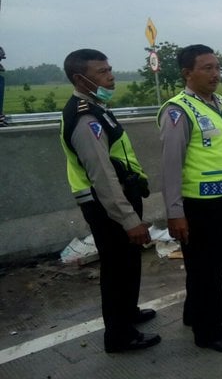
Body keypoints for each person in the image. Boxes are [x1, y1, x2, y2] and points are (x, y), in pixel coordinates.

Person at [157, 44, 222, 353]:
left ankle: (197, 312)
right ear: (188, 73)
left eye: (217, 67)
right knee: (203, 267)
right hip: (199, 205)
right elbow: (171, 167)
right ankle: (209, 331)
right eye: (207, 68)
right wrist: (175, 213)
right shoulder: (178, 111)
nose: (216, 74)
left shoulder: (221, 103)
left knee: (211, 265)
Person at [59, 49, 160, 353]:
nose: (111, 75)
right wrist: (129, 219)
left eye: (110, 69)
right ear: (80, 78)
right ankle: (119, 336)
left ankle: (128, 314)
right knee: (117, 270)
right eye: (102, 71)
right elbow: (102, 175)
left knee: (128, 264)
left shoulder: (97, 106)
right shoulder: (85, 115)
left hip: (119, 198)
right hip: (107, 206)